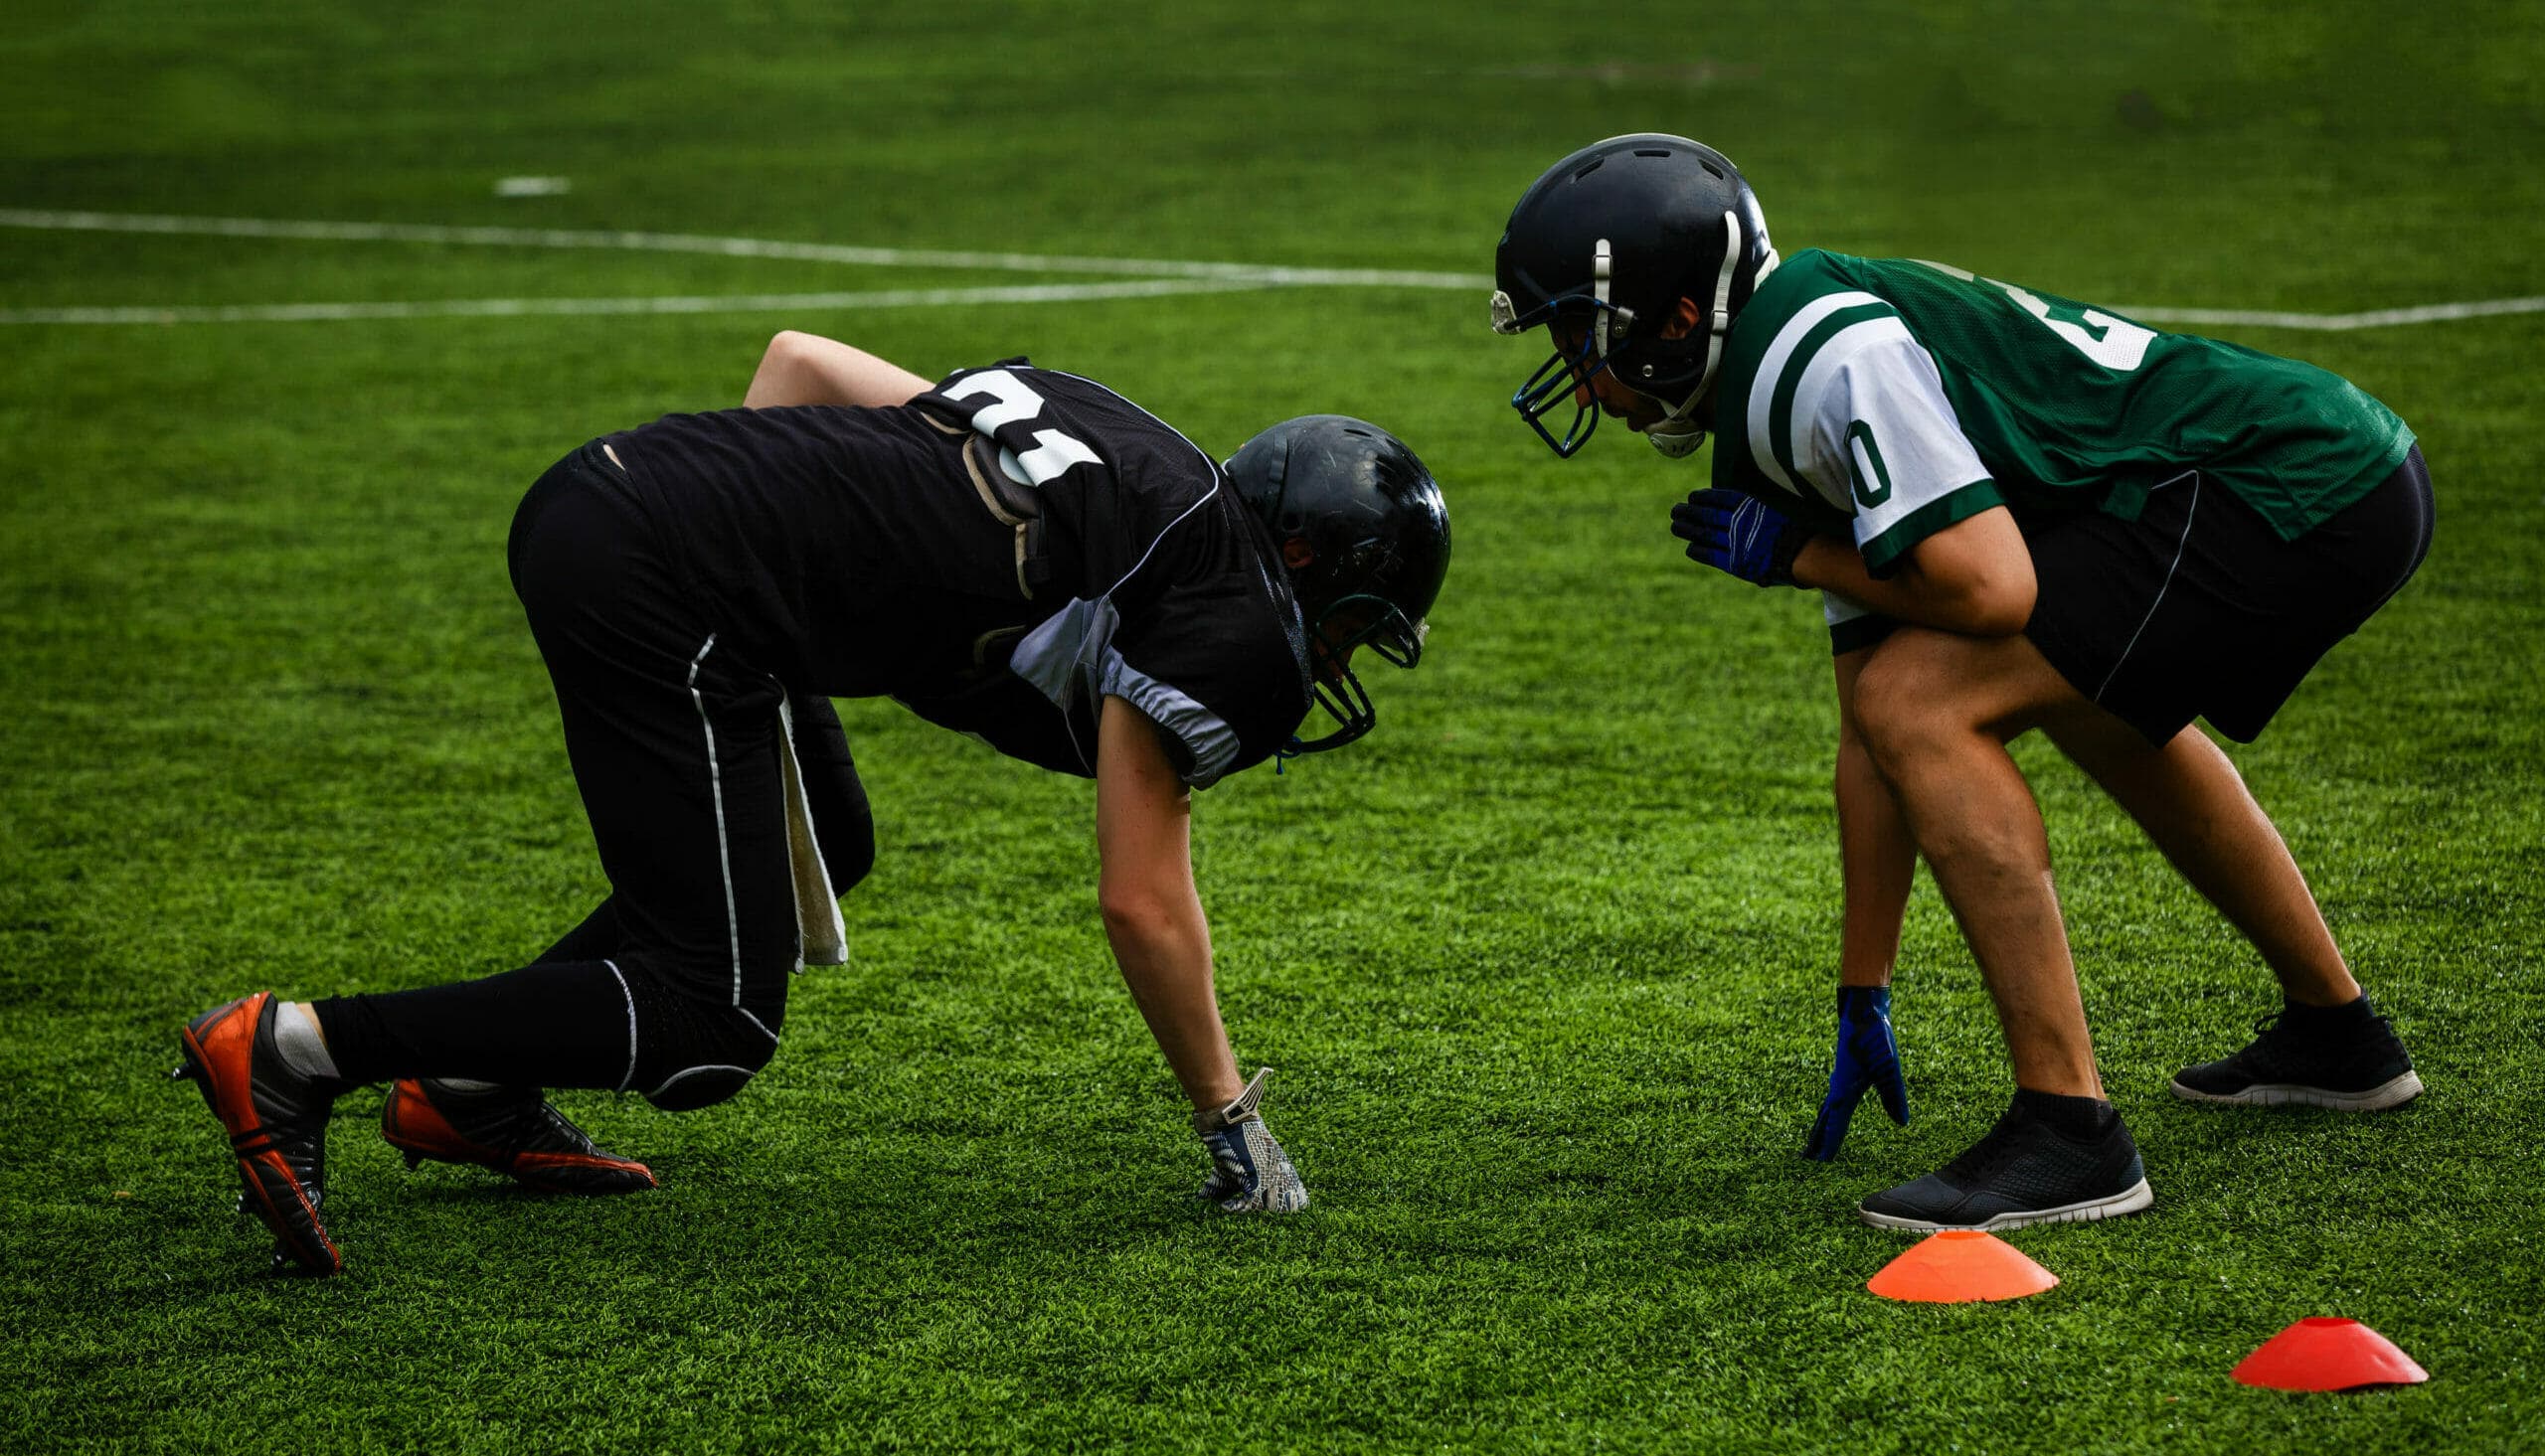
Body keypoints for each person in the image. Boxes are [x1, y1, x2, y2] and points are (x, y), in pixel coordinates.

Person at [176, 332, 1451, 1274]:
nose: (1326, 664)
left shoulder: (1135, 455)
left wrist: (797, 570)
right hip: (667, 577)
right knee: (710, 1019)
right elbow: (1139, 900)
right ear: (1299, 558)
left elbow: (796, 368)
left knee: (815, 854)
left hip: (646, 509)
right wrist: (1229, 1117)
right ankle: (294, 1047)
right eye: (1347, 627)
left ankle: (467, 1089)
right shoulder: (1223, 606)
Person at [1488, 133, 2430, 1231]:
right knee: (2038, 709)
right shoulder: (1775, 374)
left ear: (1673, 315)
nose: (1573, 364)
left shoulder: (1821, 354)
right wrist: (1861, 983)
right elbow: (1866, 736)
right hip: (2300, 474)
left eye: (1576, 329)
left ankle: (2069, 1127)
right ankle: (2339, 1035)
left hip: (2290, 480)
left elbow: (1987, 591)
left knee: (1928, 699)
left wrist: (1799, 556)